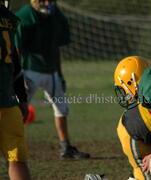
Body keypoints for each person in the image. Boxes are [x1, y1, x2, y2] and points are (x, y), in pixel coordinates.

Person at [14, 0, 90, 159]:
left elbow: (56, 47)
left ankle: (65, 147)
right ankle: (10, 146)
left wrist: (60, 73)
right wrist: (16, 74)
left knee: (61, 108)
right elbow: (16, 48)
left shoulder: (57, 16)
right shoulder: (25, 16)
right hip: (28, 70)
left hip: (51, 71)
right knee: (19, 111)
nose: (48, 3)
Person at [0, 0, 31, 179]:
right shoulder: (9, 19)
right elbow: (16, 65)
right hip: (8, 103)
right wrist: (23, 99)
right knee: (17, 160)